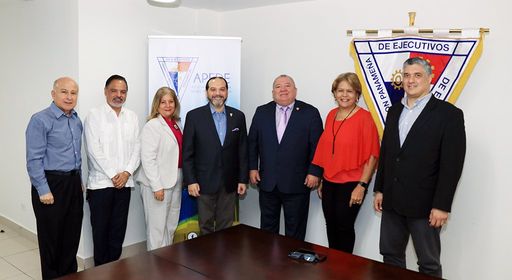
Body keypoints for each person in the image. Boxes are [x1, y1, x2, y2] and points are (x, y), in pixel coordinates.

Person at [373, 57, 466, 277]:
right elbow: (387, 152)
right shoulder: (394, 111)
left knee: (428, 263)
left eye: (417, 75)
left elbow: (452, 164)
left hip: (425, 205)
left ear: (430, 78)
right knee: (390, 256)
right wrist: (380, 189)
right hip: (392, 200)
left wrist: (442, 205)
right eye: (406, 75)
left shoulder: (449, 115)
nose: (411, 80)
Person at [248, 74, 323, 241]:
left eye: (287, 85)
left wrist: (315, 172)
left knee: (295, 230)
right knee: (267, 228)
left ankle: (293, 265)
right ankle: (267, 264)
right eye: (278, 86)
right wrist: (252, 167)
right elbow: (252, 142)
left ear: (295, 90)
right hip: (267, 182)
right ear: (273, 92)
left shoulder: (310, 113)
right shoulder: (262, 111)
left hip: (298, 183)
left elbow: (318, 146)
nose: (283, 89)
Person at [312, 72, 380, 253]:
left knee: (344, 226)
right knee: (331, 225)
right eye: (340, 90)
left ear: (357, 94)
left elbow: (372, 155)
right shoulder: (331, 115)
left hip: (353, 183)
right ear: (334, 93)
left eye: (349, 91)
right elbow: (328, 151)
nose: (344, 95)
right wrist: (323, 180)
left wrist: (362, 185)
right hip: (329, 181)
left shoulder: (365, 118)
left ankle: (346, 269)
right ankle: (334, 267)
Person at [26, 77, 83, 279]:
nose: (69, 97)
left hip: (73, 184)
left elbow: (78, 155)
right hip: (51, 185)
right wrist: (43, 189)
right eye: (64, 92)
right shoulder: (40, 120)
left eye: (73, 93)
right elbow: (34, 159)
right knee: (51, 240)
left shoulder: (76, 120)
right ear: (53, 94)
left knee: (71, 237)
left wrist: (80, 182)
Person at [84, 74, 141, 266]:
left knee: (118, 231)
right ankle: (101, 272)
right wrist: (113, 175)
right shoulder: (94, 115)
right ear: (105, 92)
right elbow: (93, 149)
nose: (119, 95)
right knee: (100, 233)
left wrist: (126, 173)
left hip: (124, 184)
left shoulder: (132, 117)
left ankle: (115, 270)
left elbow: (137, 148)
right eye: (114, 91)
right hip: (101, 185)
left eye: (123, 91)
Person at [182, 76, 248, 235]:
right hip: (203, 182)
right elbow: (187, 152)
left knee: (226, 227)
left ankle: (223, 260)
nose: (217, 93)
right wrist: (191, 181)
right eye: (213, 89)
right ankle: (206, 259)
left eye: (221, 89)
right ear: (207, 92)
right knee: (205, 226)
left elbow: (243, 150)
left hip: (229, 183)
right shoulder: (194, 116)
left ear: (226, 93)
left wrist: (242, 179)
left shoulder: (238, 116)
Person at [136, 87, 183, 250]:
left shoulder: (176, 124)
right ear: (157, 104)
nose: (168, 105)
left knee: (170, 226)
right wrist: (157, 186)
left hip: (175, 180)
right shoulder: (153, 125)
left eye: (171, 101)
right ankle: (155, 268)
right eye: (163, 102)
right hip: (157, 185)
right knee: (157, 230)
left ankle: (167, 264)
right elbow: (148, 159)